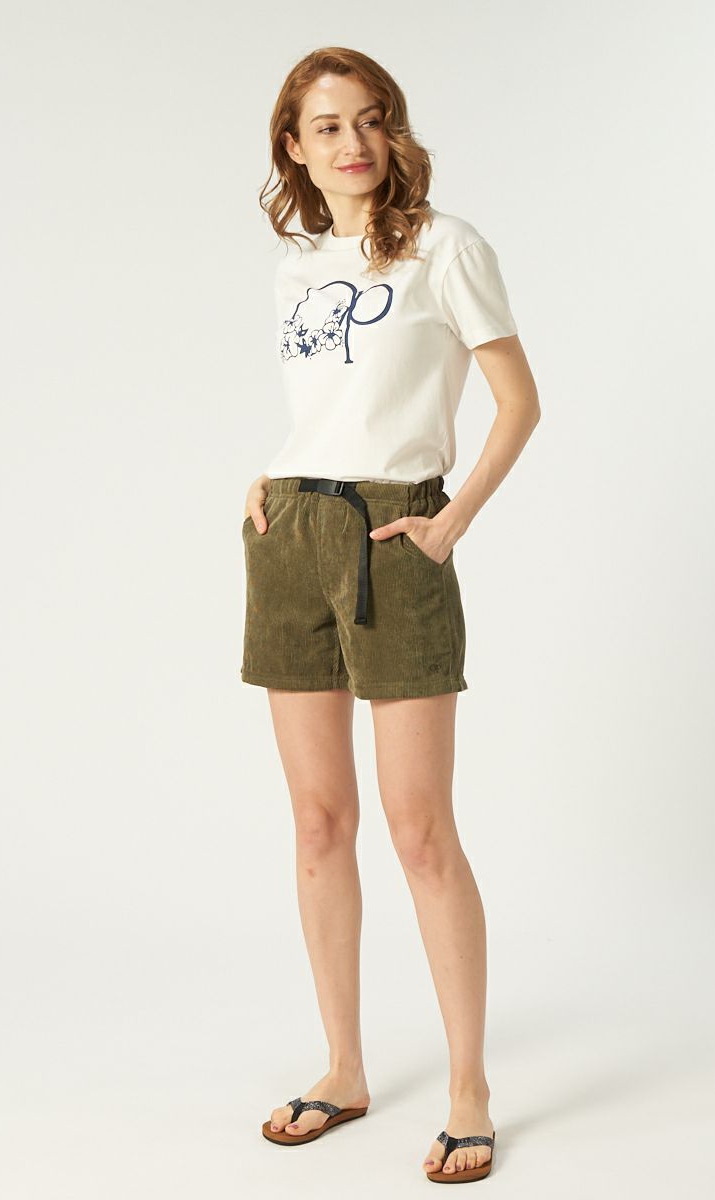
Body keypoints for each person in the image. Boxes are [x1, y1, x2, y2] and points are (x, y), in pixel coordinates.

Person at [243, 47, 540, 1183]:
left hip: (395, 534)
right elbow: (329, 406)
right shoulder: (297, 266)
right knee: (320, 822)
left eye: (369, 120)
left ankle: (468, 1089)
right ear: (294, 146)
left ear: (392, 130)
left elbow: (518, 402)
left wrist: (450, 521)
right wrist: (273, 476)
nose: (352, 142)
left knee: (419, 830)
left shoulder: (445, 247)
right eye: (326, 126)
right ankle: (344, 1068)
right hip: (290, 532)